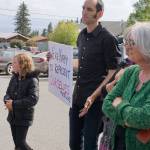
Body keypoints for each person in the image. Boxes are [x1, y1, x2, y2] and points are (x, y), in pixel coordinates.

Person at [69, 0, 121, 149]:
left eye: (89, 9)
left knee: (90, 144)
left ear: (99, 14)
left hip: (96, 102)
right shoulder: (81, 36)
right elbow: (82, 63)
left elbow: (114, 72)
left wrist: (93, 96)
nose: (84, 12)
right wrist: (56, 61)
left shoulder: (108, 39)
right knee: (73, 144)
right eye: (83, 8)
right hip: (77, 98)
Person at [102, 22, 150, 150]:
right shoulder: (130, 72)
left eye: (132, 43)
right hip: (118, 143)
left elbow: (145, 118)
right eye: (126, 42)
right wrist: (129, 121)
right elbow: (107, 104)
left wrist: (120, 104)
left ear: (146, 44)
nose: (126, 47)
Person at [4, 53, 39, 150]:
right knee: (17, 144)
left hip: (24, 116)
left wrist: (13, 104)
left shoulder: (32, 80)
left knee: (21, 142)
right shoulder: (14, 77)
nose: (12, 64)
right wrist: (7, 101)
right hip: (13, 115)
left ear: (23, 64)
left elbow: (33, 99)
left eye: (15, 62)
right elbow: (7, 93)